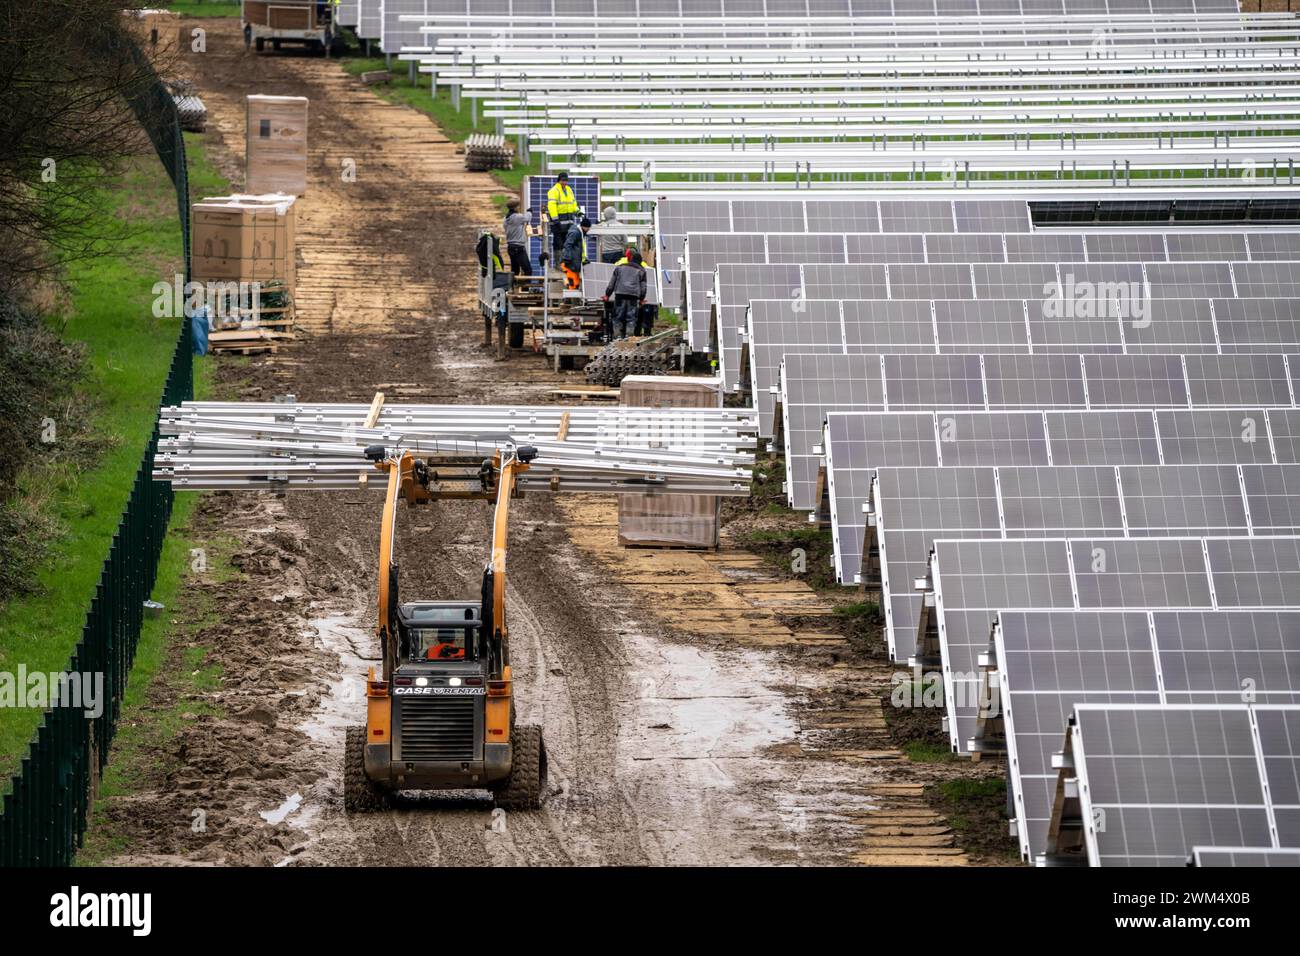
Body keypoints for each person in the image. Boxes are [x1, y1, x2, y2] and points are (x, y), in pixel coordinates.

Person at [475, 231, 513, 359]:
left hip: (493, 285)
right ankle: (500, 350)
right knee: (502, 311)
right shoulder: (490, 249)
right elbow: (499, 261)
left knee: (501, 311)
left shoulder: (484, 247)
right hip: (498, 294)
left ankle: (498, 346)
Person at [602, 248, 647, 339]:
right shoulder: (642, 271)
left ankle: (617, 337)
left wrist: (607, 295)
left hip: (620, 295)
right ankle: (629, 337)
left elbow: (612, 283)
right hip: (633, 297)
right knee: (631, 318)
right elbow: (643, 288)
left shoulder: (620, 267)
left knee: (617, 316)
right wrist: (642, 299)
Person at [546, 172, 579, 262]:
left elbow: (573, 204)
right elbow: (551, 206)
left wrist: (578, 212)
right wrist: (555, 219)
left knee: (567, 243)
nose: (564, 182)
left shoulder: (569, 190)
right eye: (562, 180)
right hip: (558, 222)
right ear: (559, 180)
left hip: (568, 222)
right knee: (558, 243)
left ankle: (566, 263)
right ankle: (559, 264)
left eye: (566, 180)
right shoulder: (554, 191)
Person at [503, 198, 532, 276]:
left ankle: (513, 287)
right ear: (515, 207)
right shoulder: (517, 217)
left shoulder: (506, 218)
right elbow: (527, 218)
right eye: (518, 206)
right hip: (518, 248)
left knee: (515, 271)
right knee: (528, 270)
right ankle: (525, 288)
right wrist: (529, 212)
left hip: (511, 247)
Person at [561, 217, 590, 290]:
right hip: (570, 263)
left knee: (575, 284)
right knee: (573, 285)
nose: (588, 230)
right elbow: (568, 244)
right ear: (584, 227)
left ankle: (570, 300)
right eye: (588, 228)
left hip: (574, 264)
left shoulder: (580, 233)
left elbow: (581, 249)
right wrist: (567, 258)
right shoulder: (576, 233)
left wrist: (584, 259)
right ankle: (569, 300)